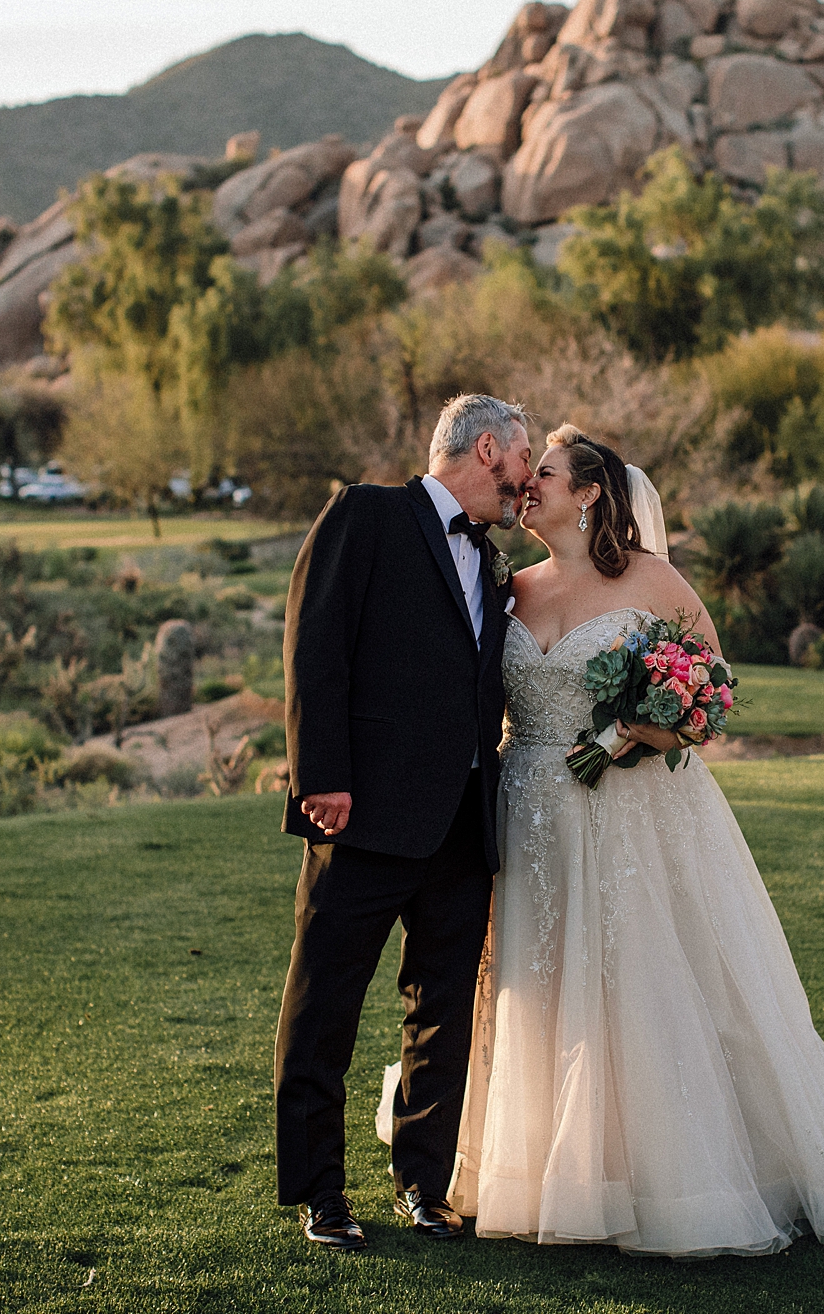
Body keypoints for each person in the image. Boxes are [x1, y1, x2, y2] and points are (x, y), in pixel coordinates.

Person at [444, 424, 824, 1258]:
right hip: (525, 808)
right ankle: (535, 1161)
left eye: (547, 473)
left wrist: (628, 738)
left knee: (635, 978)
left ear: (593, 490)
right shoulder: (512, 587)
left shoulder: (650, 578)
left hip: (624, 812)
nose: (529, 485)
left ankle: (662, 1166)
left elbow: (707, 691)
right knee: (540, 980)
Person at [274, 394, 534, 1252]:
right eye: (523, 459)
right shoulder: (368, 513)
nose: (527, 481)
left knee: (442, 1008)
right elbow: (316, 645)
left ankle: (424, 1185)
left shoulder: (495, 562)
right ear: (486, 448)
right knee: (325, 1007)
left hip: (464, 821)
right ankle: (320, 1195)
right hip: (363, 814)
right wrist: (322, 779)